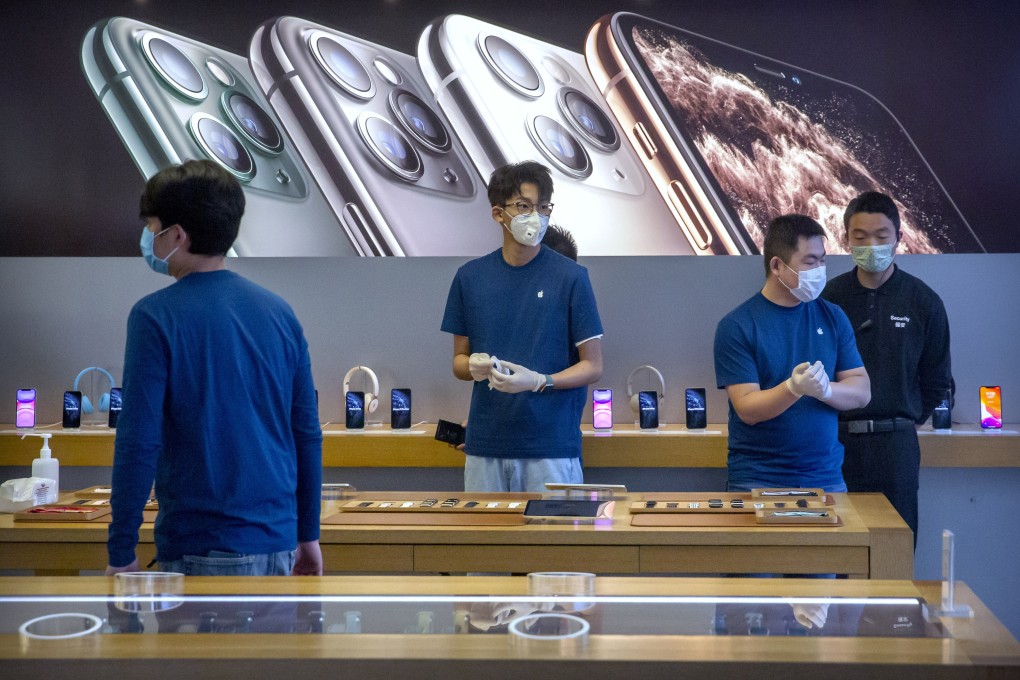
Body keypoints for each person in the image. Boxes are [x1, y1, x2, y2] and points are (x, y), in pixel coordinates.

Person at [106, 160, 323, 577]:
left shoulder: (154, 317)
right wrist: (307, 533)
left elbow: (139, 441)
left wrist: (121, 548)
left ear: (177, 235)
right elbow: (305, 433)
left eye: (152, 227)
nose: (149, 238)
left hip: (199, 546)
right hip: (278, 542)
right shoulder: (280, 313)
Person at [441, 161, 604, 492]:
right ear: (498, 213)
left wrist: (540, 381)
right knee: (485, 543)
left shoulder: (571, 277)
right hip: (485, 445)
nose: (536, 217)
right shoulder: (470, 278)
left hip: (550, 448)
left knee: (553, 544)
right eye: (524, 206)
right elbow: (459, 362)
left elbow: (593, 365)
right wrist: (474, 366)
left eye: (543, 207)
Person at [822, 191, 953, 547]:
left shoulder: (922, 300)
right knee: (836, 548)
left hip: (896, 444)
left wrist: (905, 417)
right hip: (836, 440)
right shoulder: (829, 299)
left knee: (893, 549)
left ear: (899, 238)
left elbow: (937, 378)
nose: (871, 245)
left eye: (881, 236)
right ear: (846, 240)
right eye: (860, 237)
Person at [714, 214, 871, 494]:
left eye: (823, 260)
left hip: (825, 477)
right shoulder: (737, 325)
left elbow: (861, 391)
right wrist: (793, 388)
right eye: (810, 262)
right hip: (757, 478)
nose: (820, 269)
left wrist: (825, 390)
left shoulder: (833, 317)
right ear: (777, 265)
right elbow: (747, 409)